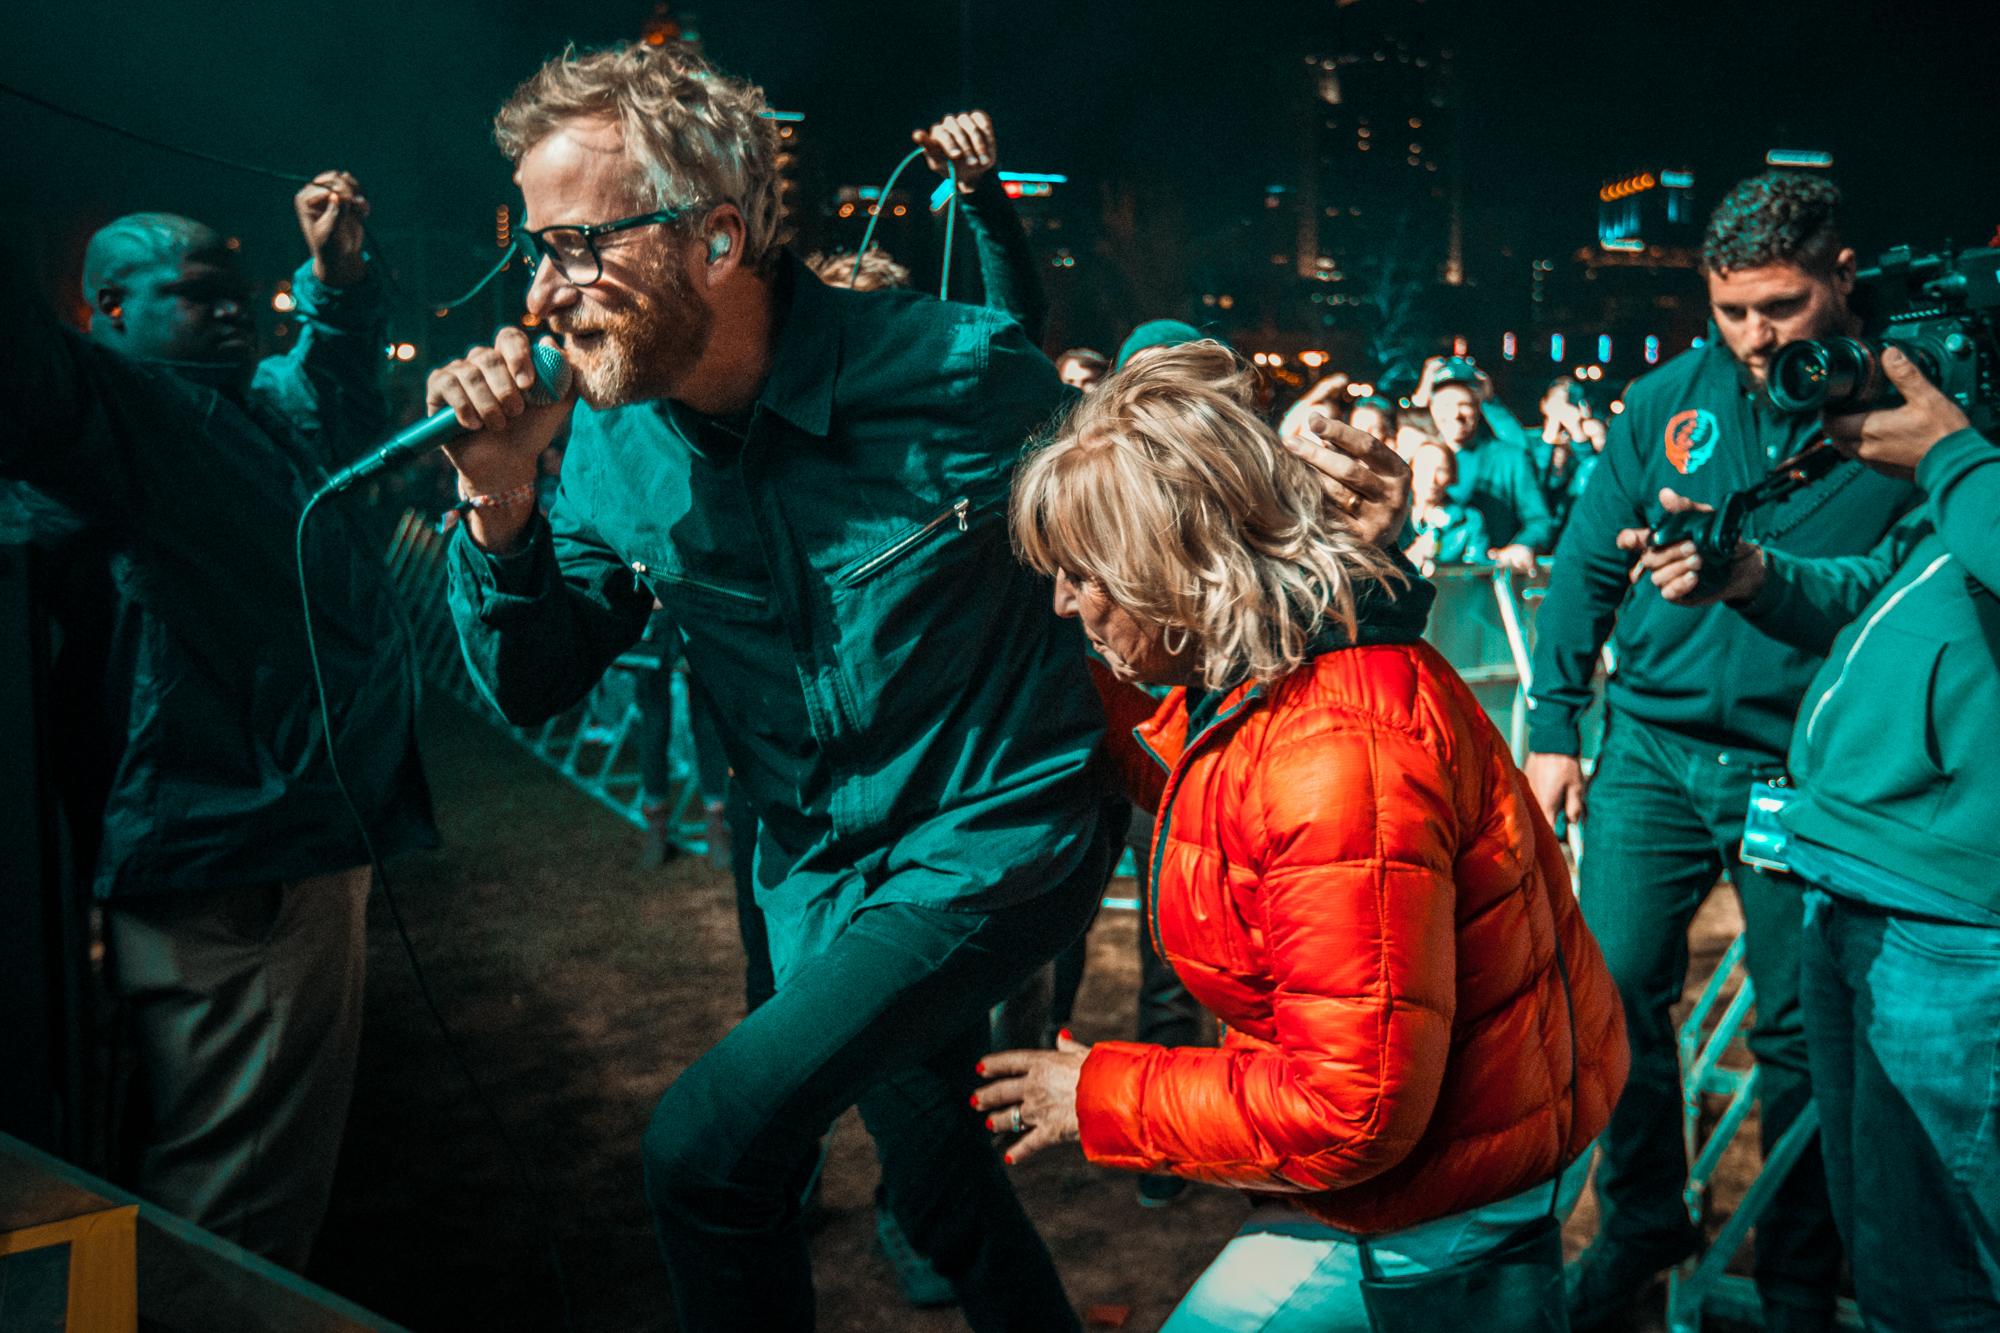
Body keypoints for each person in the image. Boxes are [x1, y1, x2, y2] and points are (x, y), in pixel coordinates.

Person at [429, 41, 1113, 1331]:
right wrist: (498, 499)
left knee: (704, 1150)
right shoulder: (616, 444)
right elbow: (532, 682)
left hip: (992, 835)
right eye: (533, 249)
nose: (540, 292)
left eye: (576, 244)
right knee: (943, 1188)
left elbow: (1162, 522)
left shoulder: (959, 375)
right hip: (818, 884)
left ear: (718, 240)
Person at [978, 341, 1627, 1331]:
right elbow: (1236, 824)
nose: (1063, 602)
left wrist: (1097, 1091)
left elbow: (1348, 1106)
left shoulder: (1335, 758)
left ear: (1169, 569)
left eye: (1083, 573)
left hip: (1452, 1180)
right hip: (1448, 1136)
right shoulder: (1268, 673)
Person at [0, 174, 436, 1269]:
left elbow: (328, 387)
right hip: (238, 862)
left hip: (259, 848)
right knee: (234, 1215)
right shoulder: (131, 412)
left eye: (238, 290)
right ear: (108, 313)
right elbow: (30, 379)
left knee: (217, 1181)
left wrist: (333, 280)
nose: (235, 309)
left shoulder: (245, 407)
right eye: (198, 294)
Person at [1525, 170, 1914, 1332]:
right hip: (1646, 749)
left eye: (1780, 307)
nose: (1752, 336)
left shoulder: (1907, 413)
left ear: (1840, 277)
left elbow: (1885, 594)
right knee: (1606, 997)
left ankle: (1800, 1266)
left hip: (1800, 766)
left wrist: (1754, 579)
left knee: (1801, 1035)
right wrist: (1551, 722)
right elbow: (1586, 563)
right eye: (1730, 309)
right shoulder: (1664, 400)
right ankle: (1641, 1218)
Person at [1623, 349, 2000, 1329]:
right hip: (1859, 877)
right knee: (1879, 1239)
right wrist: (1749, 573)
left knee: (1937, 1268)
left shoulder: (1966, 471)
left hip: (1952, 921)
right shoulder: (1964, 482)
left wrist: (1953, 457)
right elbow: (1878, 596)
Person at [1421, 360, 1552, 574]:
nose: (1455, 415)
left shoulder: (1509, 458)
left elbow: (1539, 520)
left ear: (1479, 409)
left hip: (1488, 580)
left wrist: (1521, 546)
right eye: (1445, 405)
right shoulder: (1420, 457)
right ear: (1433, 408)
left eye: (1464, 405)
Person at [1404, 438, 1491, 568]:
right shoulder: (1393, 517)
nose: (1432, 479)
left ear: (1452, 476)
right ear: (1411, 471)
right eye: (1424, 467)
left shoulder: (1469, 521)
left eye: (1441, 470)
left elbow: (1476, 573)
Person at [1532, 376, 1602, 530]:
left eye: (1569, 403)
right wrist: (1550, 433)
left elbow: (1592, 470)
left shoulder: (1586, 440)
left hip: (1574, 522)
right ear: (1544, 405)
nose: (1563, 409)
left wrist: (1576, 430)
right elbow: (1534, 476)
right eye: (1557, 402)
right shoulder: (1530, 439)